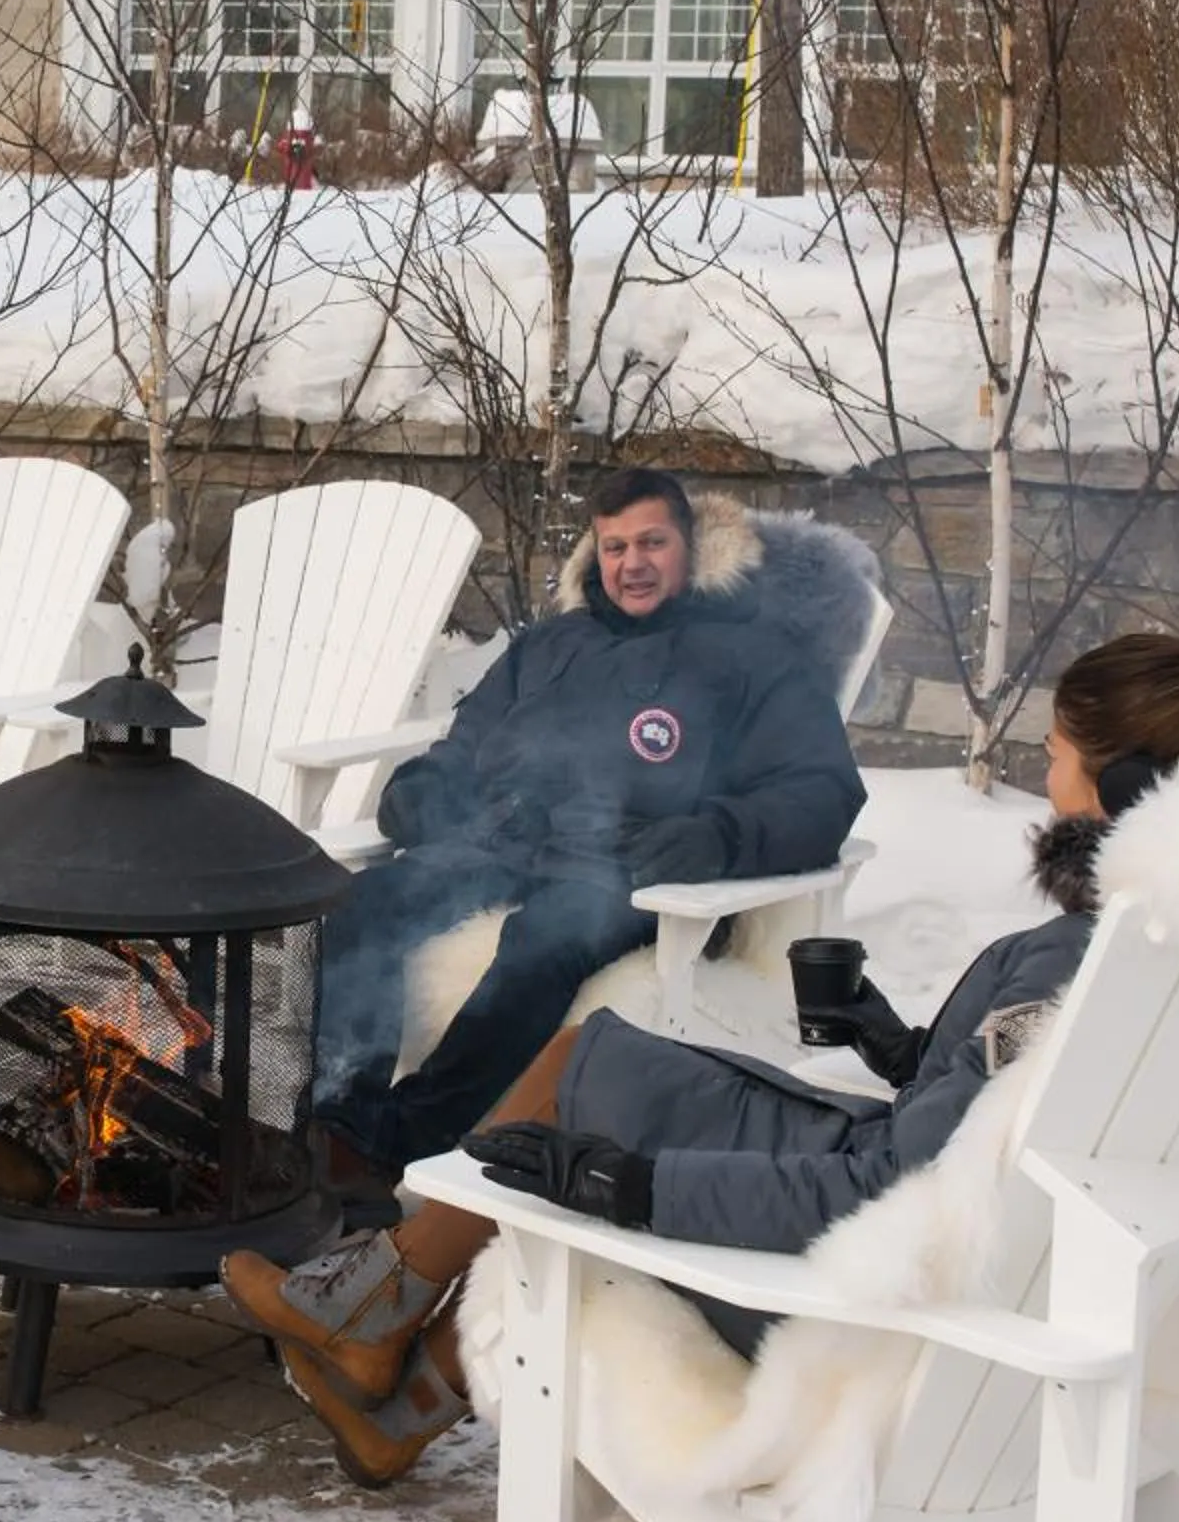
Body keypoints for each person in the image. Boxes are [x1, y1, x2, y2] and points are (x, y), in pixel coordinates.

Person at [225, 632, 1179, 1487]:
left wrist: (636, 1186)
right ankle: (392, 1391)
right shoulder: (1167, 954)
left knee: (575, 1087)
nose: (1043, 767)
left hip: (875, 1299)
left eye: (1055, 752)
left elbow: (881, 1189)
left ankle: (372, 1314)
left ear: (1132, 788)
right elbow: (1002, 1119)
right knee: (601, 1058)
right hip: (972, 1246)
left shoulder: (1071, 964)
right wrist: (895, 1042)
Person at [316, 467, 866, 1195]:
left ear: (689, 547)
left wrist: (721, 835)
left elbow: (823, 791)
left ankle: (406, 1144)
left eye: (651, 542)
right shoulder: (550, 646)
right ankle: (336, 1121)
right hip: (502, 841)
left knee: (539, 944)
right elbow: (468, 742)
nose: (631, 564)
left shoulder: (754, 659)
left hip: (629, 865)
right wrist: (422, 792)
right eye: (613, 547)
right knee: (365, 903)